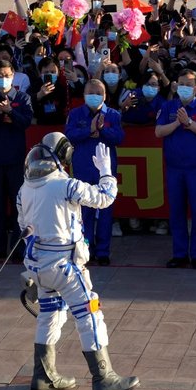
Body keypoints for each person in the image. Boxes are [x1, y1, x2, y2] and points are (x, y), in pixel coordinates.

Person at [18, 133, 139, 390]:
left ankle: (43, 375)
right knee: (90, 312)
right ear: (63, 156)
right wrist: (107, 173)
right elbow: (104, 197)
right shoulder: (66, 185)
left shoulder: (25, 188)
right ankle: (104, 376)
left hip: (39, 265)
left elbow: (23, 227)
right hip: (65, 266)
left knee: (50, 315)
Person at [155, 69, 196, 269]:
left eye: (189, 84)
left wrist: (189, 122)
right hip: (175, 169)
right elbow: (159, 131)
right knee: (177, 213)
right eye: (181, 84)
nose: (185, 88)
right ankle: (179, 254)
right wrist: (176, 122)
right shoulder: (168, 106)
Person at [0, 60, 33, 262]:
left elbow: (26, 122)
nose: (3, 78)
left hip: (16, 159)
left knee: (18, 206)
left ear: (13, 75)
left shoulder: (22, 97)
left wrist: (11, 111)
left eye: (7, 74)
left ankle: (18, 250)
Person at [65, 80, 125, 265]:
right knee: (84, 213)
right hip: (83, 168)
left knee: (105, 210)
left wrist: (102, 130)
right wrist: (89, 129)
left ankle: (103, 252)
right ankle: (86, 251)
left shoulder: (113, 115)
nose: (94, 95)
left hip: (105, 171)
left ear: (105, 95)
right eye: (90, 92)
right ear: (83, 95)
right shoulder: (75, 114)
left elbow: (119, 137)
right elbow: (69, 135)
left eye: (98, 92)